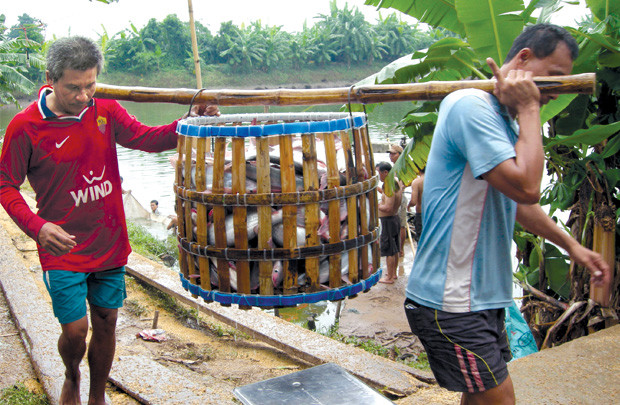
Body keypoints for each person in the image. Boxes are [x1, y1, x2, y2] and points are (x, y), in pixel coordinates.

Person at [0, 36, 219, 405]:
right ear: (51, 77)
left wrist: (187, 124)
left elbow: (146, 138)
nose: (84, 96)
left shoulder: (106, 111)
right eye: (74, 88)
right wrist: (38, 228)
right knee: (75, 330)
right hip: (63, 247)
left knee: (106, 321)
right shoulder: (26, 127)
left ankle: (97, 395)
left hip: (109, 241)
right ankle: (72, 375)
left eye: (91, 85)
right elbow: (5, 185)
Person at [403, 24, 610, 405]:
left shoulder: (504, 121)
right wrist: (531, 109)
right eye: (553, 78)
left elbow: (515, 204)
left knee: (480, 397)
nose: (556, 90)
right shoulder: (471, 107)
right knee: (500, 399)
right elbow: (527, 186)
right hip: (451, 301)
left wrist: (571, 246)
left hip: (482, 298)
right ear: (524, 59)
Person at [376, 162, 402, 284]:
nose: (378, 175)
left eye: (379, 173)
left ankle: (389, 277)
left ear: (385, 172)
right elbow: (388, 198)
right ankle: (393, 273)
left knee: (389, 250)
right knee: (395, 248)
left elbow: (388, 207)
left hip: (388, 220)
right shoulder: (395, 182)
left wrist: (377, 205)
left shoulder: (389, 185)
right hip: (394, 218)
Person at [388, 144, 408, 257]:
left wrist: (400, 188)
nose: (391, 156)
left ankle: (401, 249)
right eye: (390, 154)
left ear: (399, 155)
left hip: (400, 197)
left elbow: (406, 182)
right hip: (393, 197)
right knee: (395, 224)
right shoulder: (393, 168)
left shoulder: (402, 167)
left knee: (401, 225)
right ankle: (396, 248)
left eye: (393, 154)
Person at [406, 169, 424, 242]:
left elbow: (413, 201)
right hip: (433, 212)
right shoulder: (434, 180)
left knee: (421, 239)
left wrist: (409, 206)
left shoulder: (417, 182)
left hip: (421, 213)